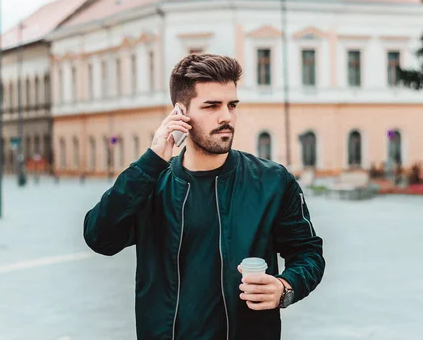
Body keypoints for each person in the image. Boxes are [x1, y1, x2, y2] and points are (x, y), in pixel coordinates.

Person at [83, 54, 325, 340]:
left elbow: (308, 253)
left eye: (231, 105)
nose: (226, 116)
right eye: (211, 106)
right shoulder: (151, 184)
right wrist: (149, 163)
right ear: (180, 113)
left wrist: (285, 287)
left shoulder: (273, 182)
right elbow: (100, 237)